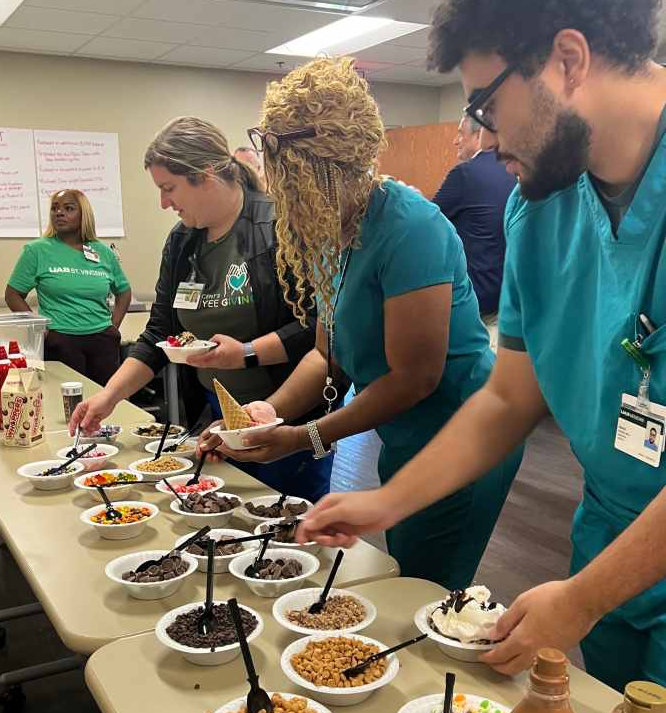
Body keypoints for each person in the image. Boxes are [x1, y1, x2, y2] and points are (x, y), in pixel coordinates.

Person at [299, 0, 666, 692]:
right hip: (611, 537)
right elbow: (506, 399)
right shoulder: (539, 209)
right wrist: (384, 501)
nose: (485, 138)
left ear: (568, 59)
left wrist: (585, 598)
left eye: (485, 106)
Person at [199, 57, 522, 588]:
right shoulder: (330, 232)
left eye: (282, 171)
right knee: (405, 568)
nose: (275, 188)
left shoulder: (410, 226)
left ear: (322, 165)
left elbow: (414, 377)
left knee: (426, 585)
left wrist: (305, 437)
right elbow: (328, 356)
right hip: (405, 432)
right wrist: (265, 415)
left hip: (463, 431)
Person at [70, 117, 332, 501]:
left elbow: (315, 330)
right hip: (219, 411)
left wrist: (244, 354)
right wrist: (108, 397)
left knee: (288, 526)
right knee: (234, 523)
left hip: (285, 413)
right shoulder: (182, 242)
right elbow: (160, 333)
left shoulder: (278, 226)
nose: (164, 203)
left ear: (205, 175)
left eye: (168, 188)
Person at [5, 189, 131, 383]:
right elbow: (12, 294)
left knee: (106, 404)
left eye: (68, 208)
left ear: (83, 215)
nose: (59, 213)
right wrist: (41, 329)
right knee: (66, 405)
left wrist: (113, 326)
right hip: (60, 339)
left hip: (102, 340)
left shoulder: (103, 252)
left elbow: (124, 291)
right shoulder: (36, 251)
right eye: (55, 208)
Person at [434, 116, 516, 325]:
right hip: (505, 298)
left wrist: (409, 198)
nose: (456, 140)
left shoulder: (465, 174)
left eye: (461, 133)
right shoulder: (512, 171)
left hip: (473, 301)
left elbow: (426, 220)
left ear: (479, 135)